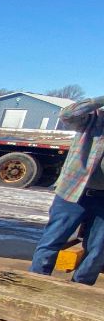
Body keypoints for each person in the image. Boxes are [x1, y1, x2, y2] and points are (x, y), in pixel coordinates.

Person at [29, 96, 104, 285]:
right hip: (73, 193)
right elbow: (67, 114)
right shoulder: (92, 119)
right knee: (52, 241)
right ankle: (36, 283)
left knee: (98, 250)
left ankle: (80, 289)